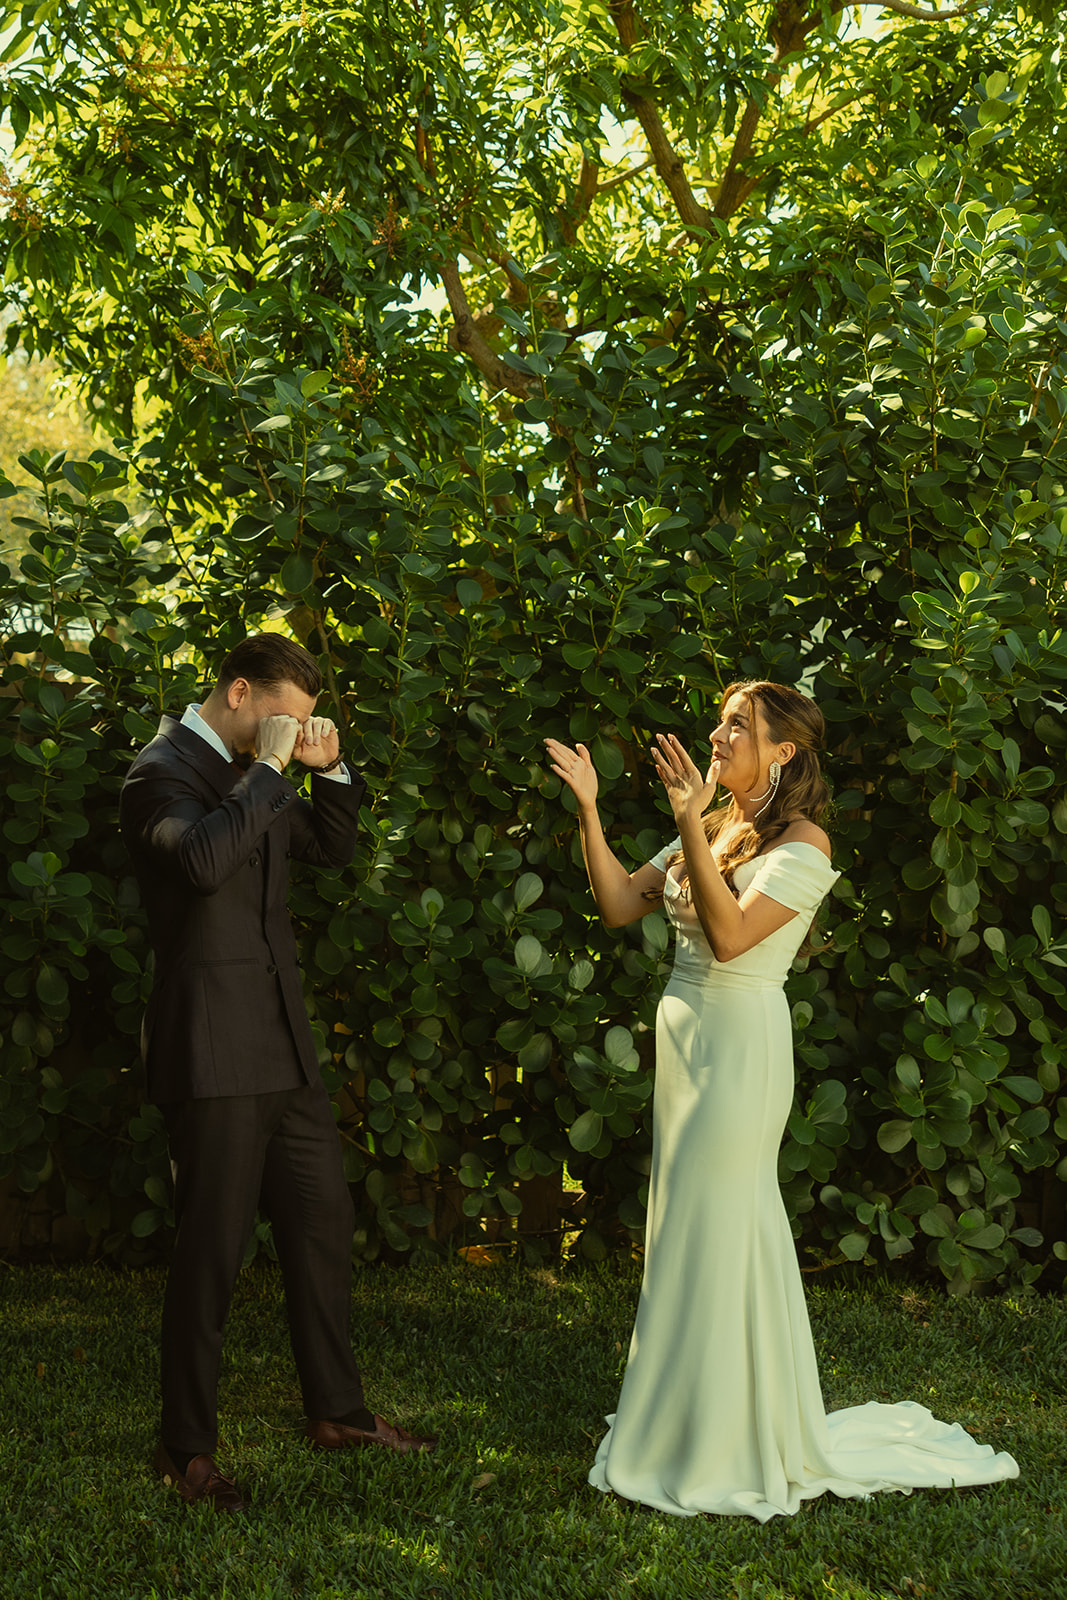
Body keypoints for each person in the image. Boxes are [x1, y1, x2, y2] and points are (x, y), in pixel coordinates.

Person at [545, 679, 1017, 1521]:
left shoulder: (805, 845)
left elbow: (729, 941)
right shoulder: (720, 826)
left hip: (738, 1049)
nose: (718, 736)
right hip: (683, 1045)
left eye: (738, 726)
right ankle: (682, 1416)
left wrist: (690, 818)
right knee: (684, 1228)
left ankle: (734, 1433)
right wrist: (588, 807)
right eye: (720, 723)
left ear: (782, 749)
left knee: (725, 1226)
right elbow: (620, 904)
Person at [120, 633, 435, 1513]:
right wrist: (267, 771)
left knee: (320, 1225)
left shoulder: (257, 770)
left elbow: (328, 850)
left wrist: (327, 773)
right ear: (238, 691)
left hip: (283, 1048)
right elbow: (201, 862)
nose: (291, 739)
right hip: (211, 1048)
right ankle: (184, 1447)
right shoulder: (160, 773)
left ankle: (337, 1412)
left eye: (302, 727)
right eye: (285, 722)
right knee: (213, 1252)